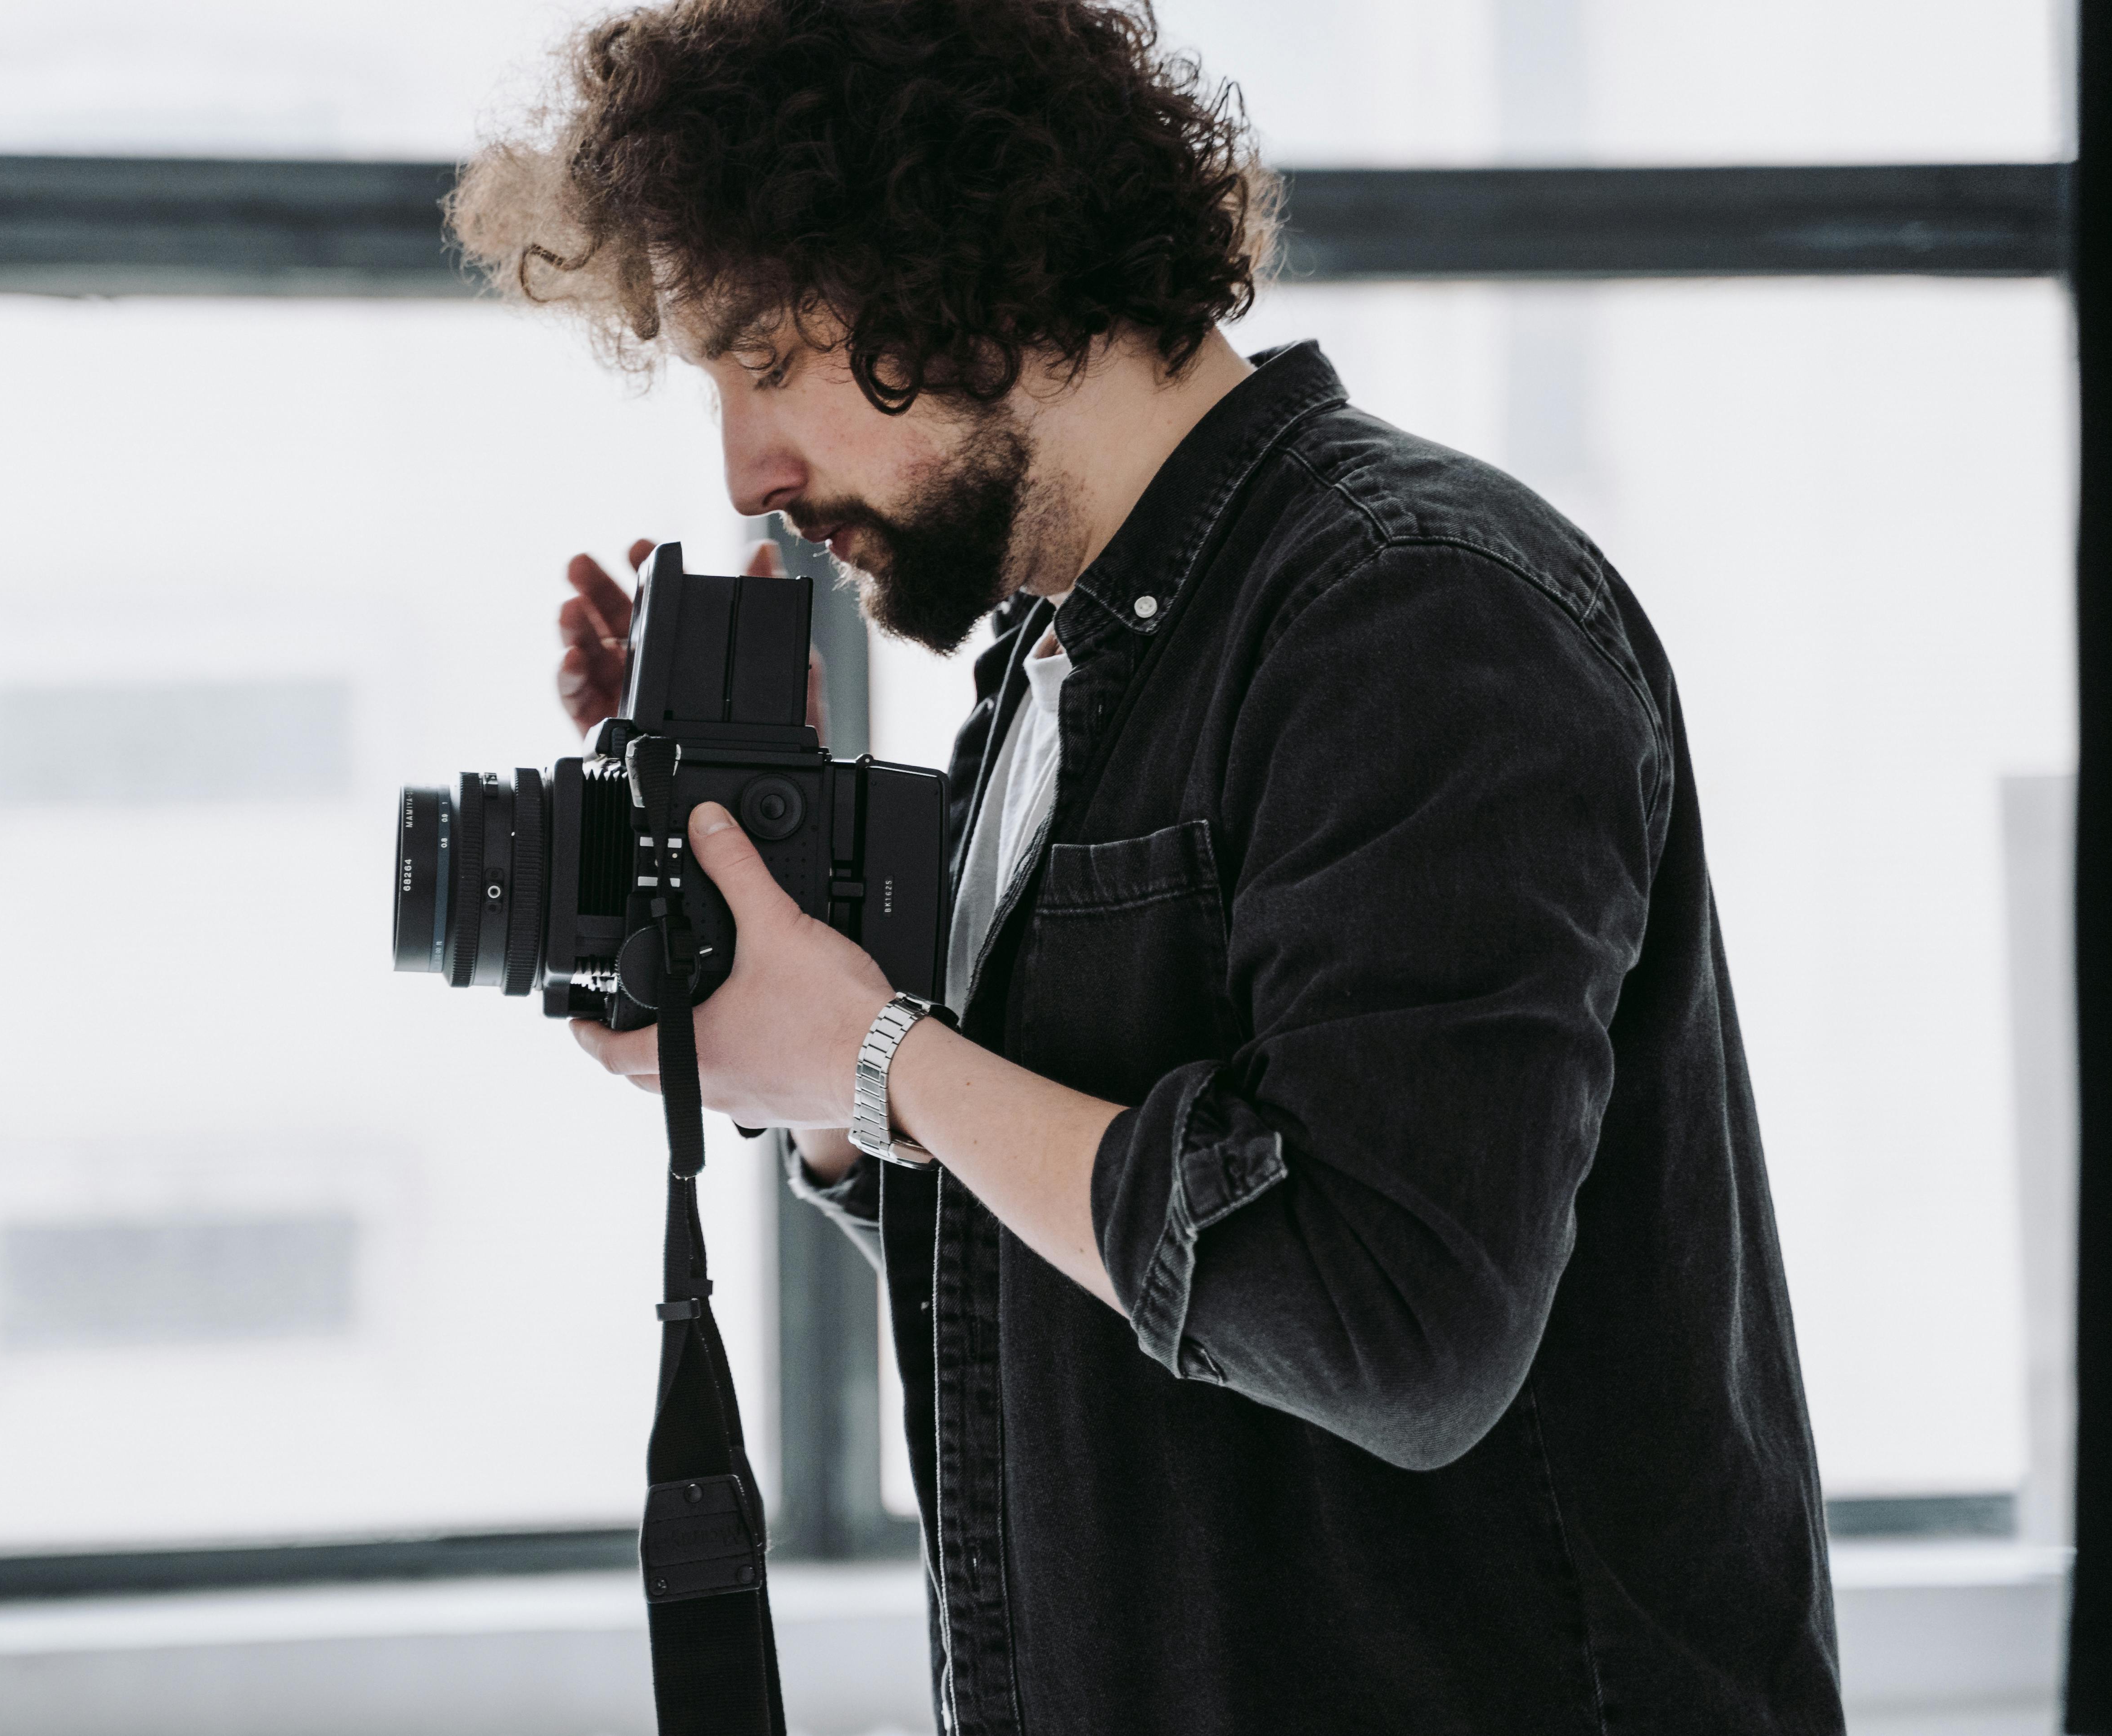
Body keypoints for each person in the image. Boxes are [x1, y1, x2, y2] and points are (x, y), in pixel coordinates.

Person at [456, 1, 1841, 1730]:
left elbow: (1391, 1325)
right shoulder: (1050, 685)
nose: (744, 466)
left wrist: (882, 1059)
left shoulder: (1413, 609)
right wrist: (814, 1025)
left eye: (763, 353)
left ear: (969, 263)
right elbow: (1074, 1297)